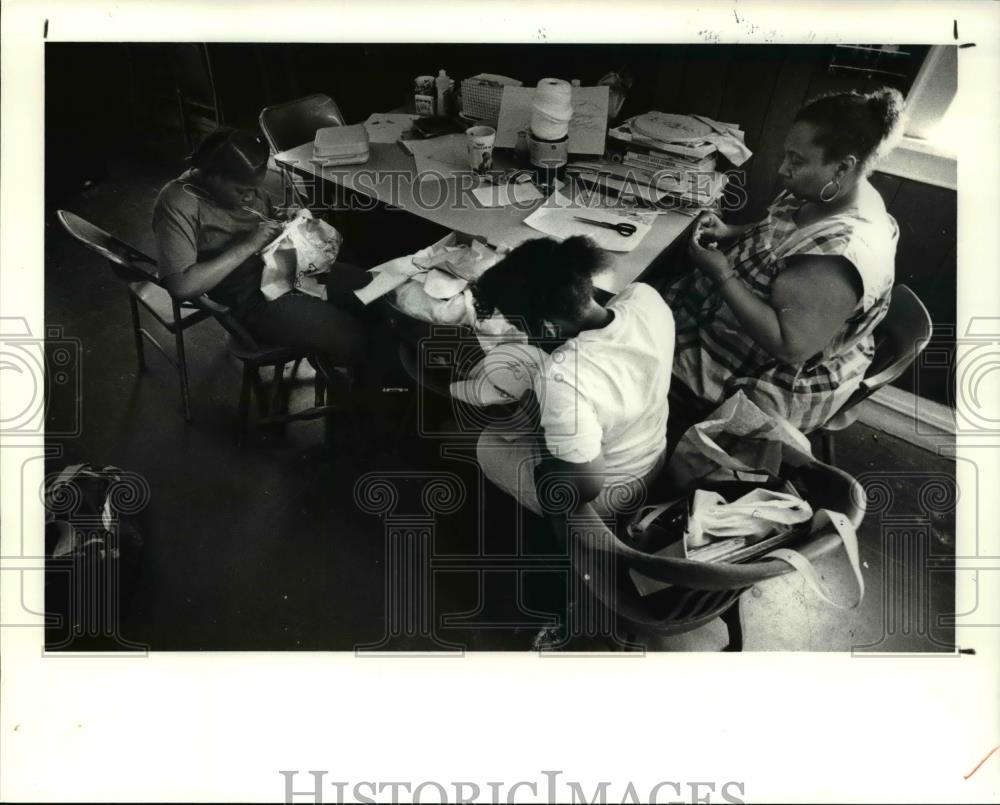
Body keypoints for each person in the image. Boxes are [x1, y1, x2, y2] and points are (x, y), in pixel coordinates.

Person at [663, 87, 905, 433]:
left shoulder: (841, 254)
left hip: (765, 375)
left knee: (629, 354)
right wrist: (731, 231)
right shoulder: (833, 193)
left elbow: (789, 347)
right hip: (741, 324)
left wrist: (722, 276)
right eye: (787, 155)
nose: (782, 169)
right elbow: (781, 232)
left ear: (842, 167)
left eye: (797, 161)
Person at [472, 236, 675, 519]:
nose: (526, 336)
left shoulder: (562, 376)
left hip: (612, 494)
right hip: (654, 454)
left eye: (521, 326)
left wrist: (539, 425)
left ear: (548, 327)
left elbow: (584, 488)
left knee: (487, 445)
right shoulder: (644, 297)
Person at [151, 128, 374, 373]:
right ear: (210, 175)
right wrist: (248, 245)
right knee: (354, 338)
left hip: (288, 270)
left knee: (374, 291)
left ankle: (352, 373)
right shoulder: (179, 202)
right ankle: (352, 388)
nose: (250, 197)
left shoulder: (244, 184)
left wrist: (281, 217)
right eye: (241, 191)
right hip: (251, 300)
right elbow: (181, 286)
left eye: (254, 189)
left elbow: (257, 214)